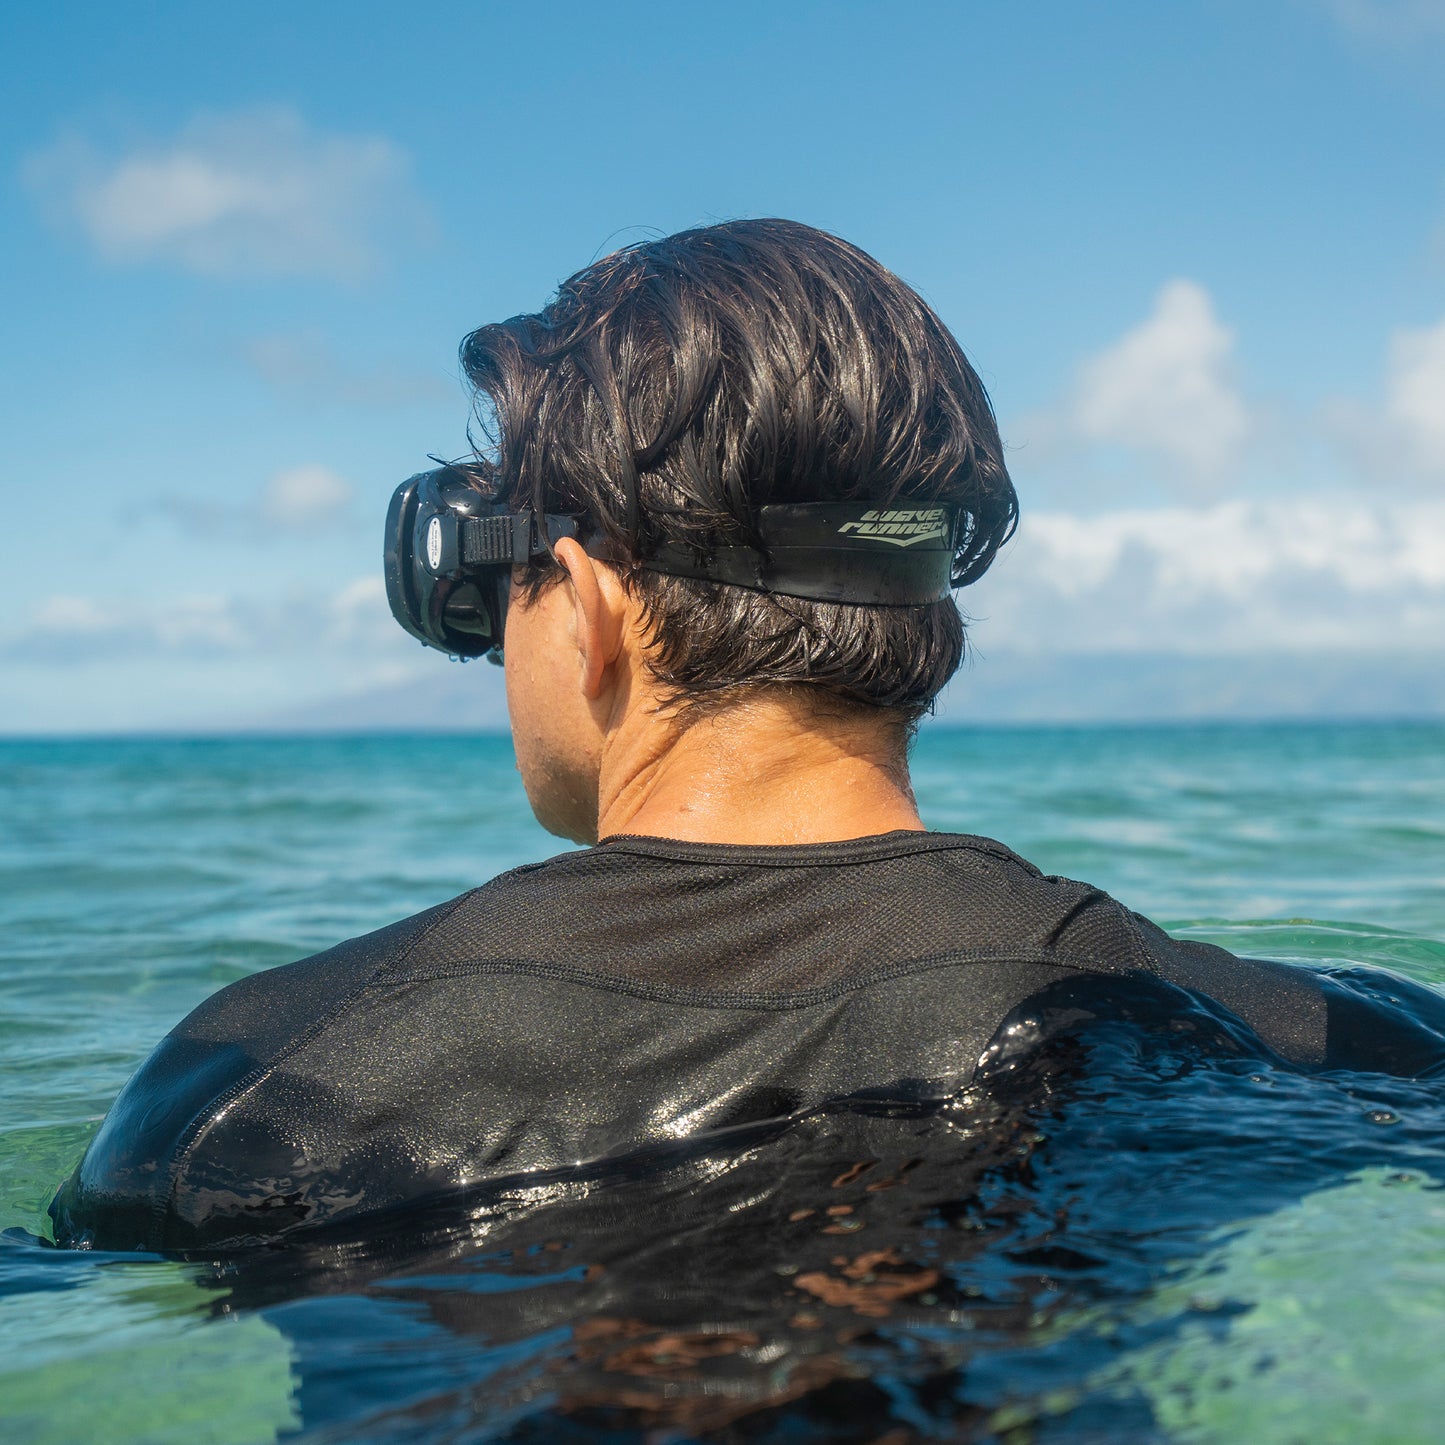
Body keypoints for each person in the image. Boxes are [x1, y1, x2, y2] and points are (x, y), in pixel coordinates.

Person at [51, 219, 1445, 1253]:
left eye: (500, 598)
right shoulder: (1312, 1035)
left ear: (589, 607)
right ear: (925, 593)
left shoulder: (255, 1088)